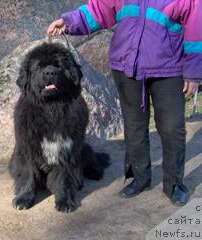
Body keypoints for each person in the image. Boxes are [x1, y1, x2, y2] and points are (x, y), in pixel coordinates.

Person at [47, 0, 201, 206]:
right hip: (126, 66)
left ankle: (174, 184)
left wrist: (193, 73)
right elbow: (99, 9)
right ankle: (139, 178)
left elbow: (196, 30)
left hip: (170, 69)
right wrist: (69, 22)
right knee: (134, 126)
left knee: (172, 128)